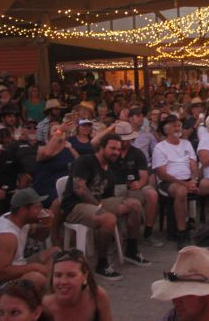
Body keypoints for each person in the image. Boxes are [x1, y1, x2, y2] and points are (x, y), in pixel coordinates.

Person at [60, 134, 149, 281]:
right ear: (101, 148)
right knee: (108, 219)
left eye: (118, 149)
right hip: (75, 205)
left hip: (99, 201)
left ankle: (131, 250)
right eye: (112, 148)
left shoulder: (112, 166)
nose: (115, 152)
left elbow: (108, 195)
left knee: (135, 205)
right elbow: (79, 189)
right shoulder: (85, 161)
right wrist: (99, 205)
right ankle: (102, 264)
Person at [152, 114, 209, 248]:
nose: (178, 128)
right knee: (181, 191)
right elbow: (162, 174)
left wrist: (193, 180)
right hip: (170, 183)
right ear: (166, 130)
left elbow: (194, 166)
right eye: (174, 126)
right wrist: (184, 184)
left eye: (179, 125)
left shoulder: (186, 144)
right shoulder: (160, 147)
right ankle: (181, 232)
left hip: (189, 180)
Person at [0, 188, 59, 301]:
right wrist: (34, 267)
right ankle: (49, 298)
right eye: (37, 207)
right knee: (37, 278)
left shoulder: (16, 219)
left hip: (16, 265)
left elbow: (40, 236)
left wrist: (48, 224)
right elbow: (0, 274)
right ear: (23, 210)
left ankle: (50, 288)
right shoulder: (7, 236)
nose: (41, 210)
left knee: (56, 253)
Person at [111, 121, 162, 248]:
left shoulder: (137, 153)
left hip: (133, 186)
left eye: (126, 139)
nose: (124, 142)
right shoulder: (110, 152)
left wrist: (140, 183)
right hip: (113, 187)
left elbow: (144, 176)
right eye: (121, 139)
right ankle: (123, 236)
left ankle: (148, 233)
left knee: (152, 194)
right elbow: (94, 144)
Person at [42, 249, 112, 321]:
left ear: (84, 276)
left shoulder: (97, 296)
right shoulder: (45, 307)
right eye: (58, 275)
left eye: (71, 275)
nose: (63, 281)